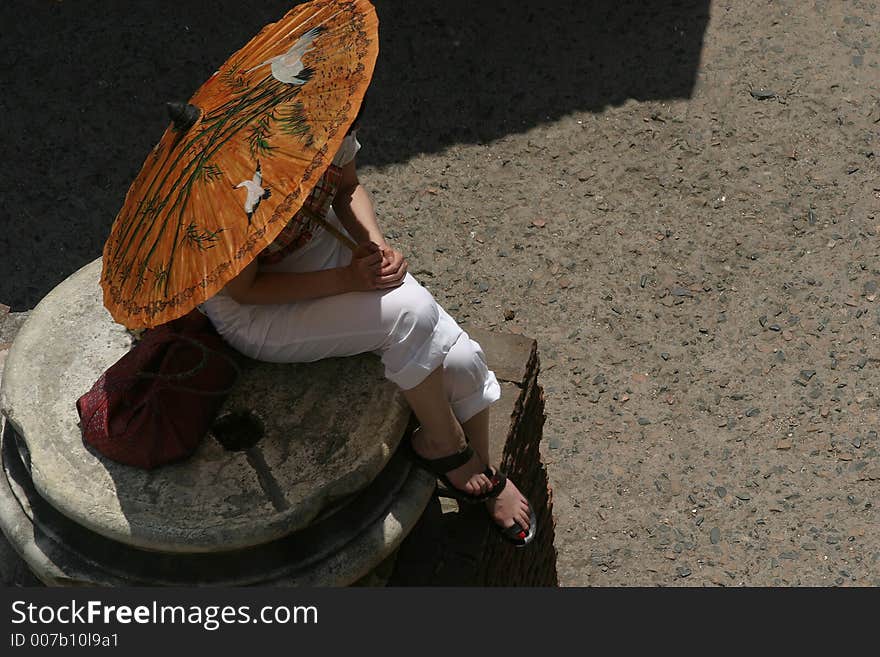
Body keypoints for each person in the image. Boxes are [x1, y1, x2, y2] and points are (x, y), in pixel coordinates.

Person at [199, 114, 536, 547]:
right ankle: (446, 445)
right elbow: (246, 290)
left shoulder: (318, 116)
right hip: (259, 306)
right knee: (409, 313)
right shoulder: (224, 185)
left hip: (314, 246)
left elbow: (346, 188)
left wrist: (375, 245)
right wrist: (348, 281)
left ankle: (480, 468)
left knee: (466, 360)